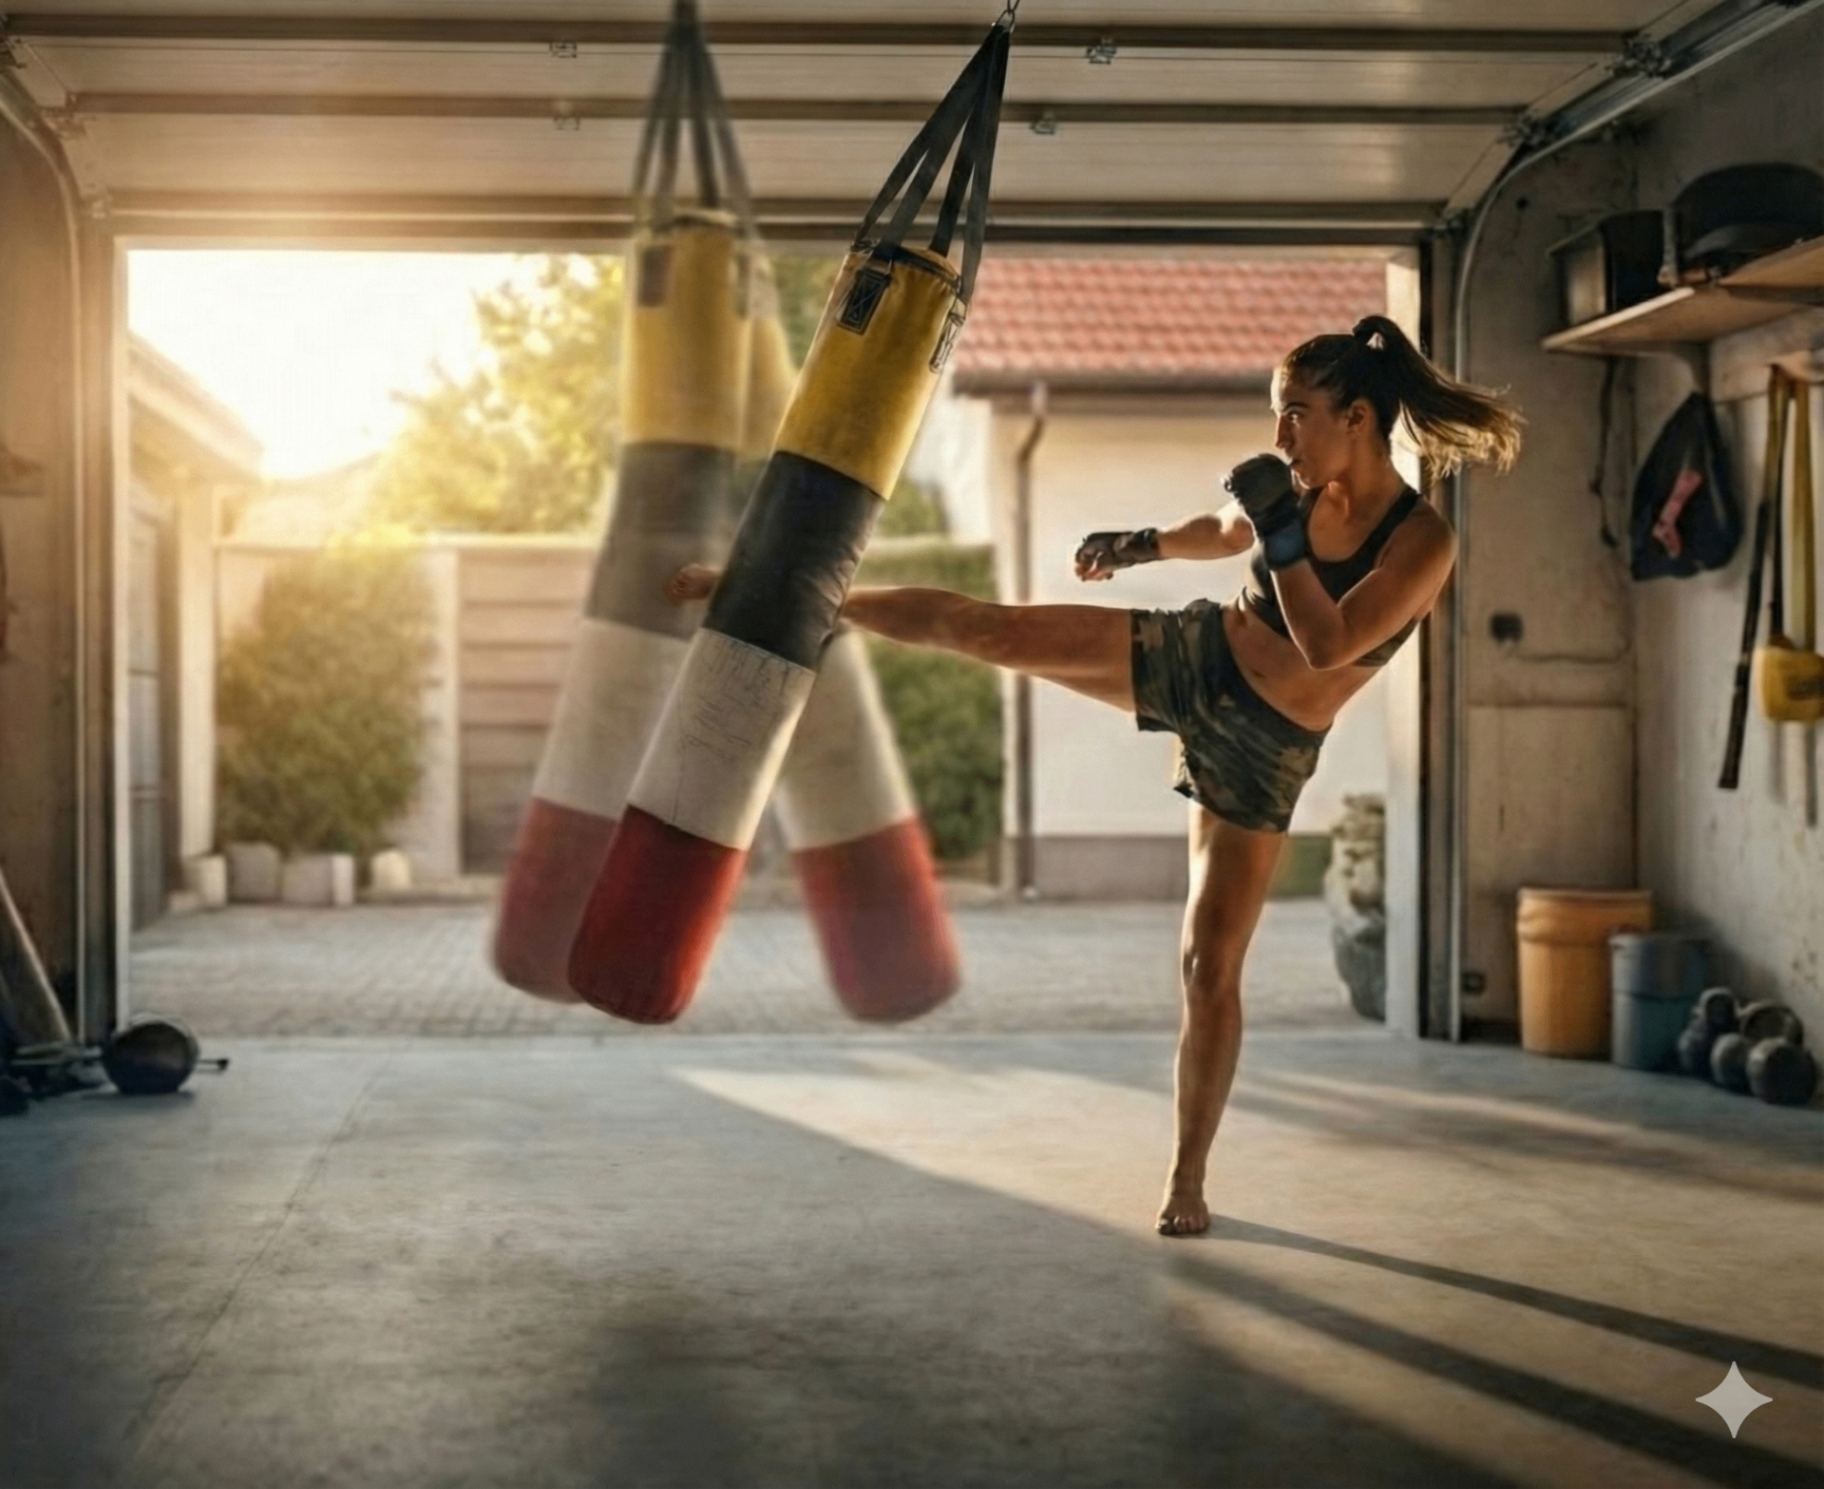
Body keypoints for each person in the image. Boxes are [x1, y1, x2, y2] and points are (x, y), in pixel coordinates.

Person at [666, 314, 1522, 1236]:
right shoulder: (1293, 489)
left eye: (1297, 417)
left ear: (1358, 417)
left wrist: (1280, 529)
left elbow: (1327, 644)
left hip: (1267, 748)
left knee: (1207, 966)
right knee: (992, 628)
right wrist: (1141, 543)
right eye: (1276, 417)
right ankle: (786, 595)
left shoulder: (1421, 541)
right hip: (1198, 656)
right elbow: (1224, 529)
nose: (1281, 439)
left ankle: (1187, 1177)